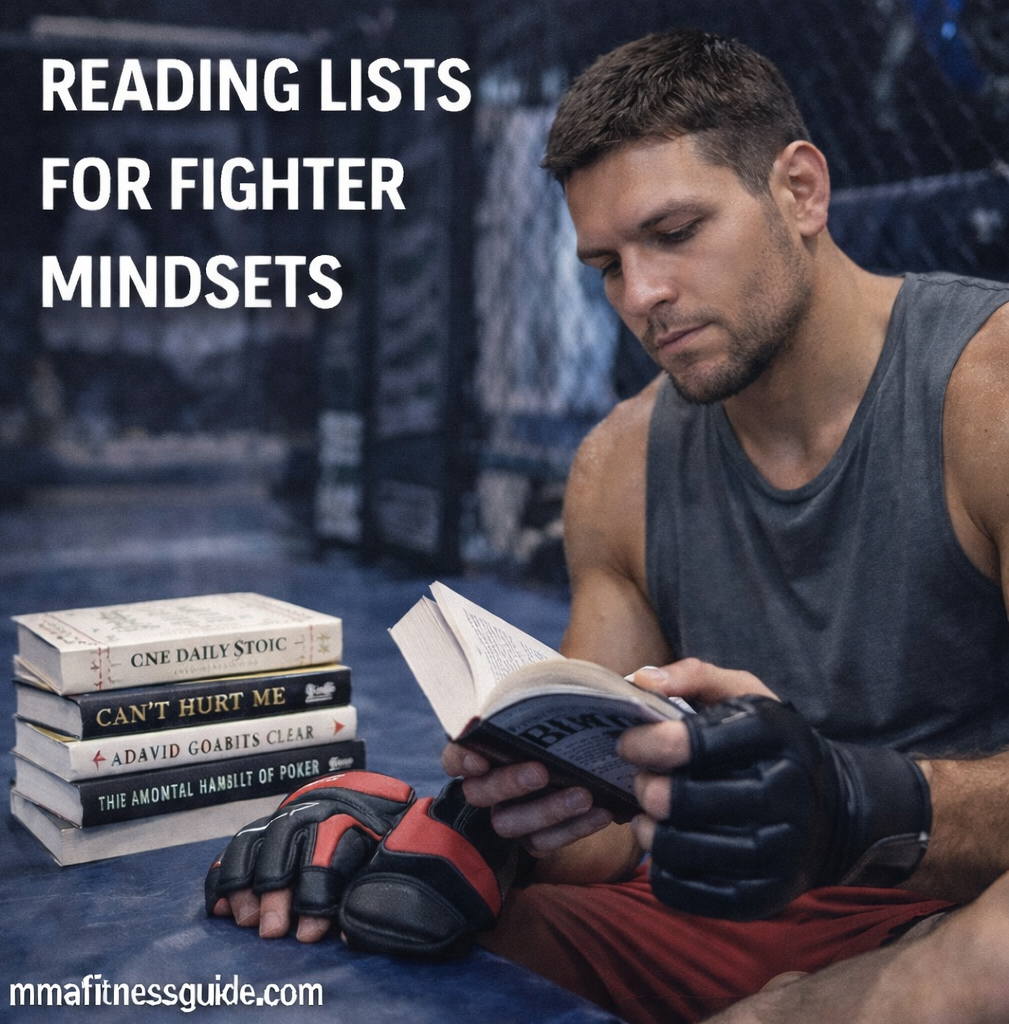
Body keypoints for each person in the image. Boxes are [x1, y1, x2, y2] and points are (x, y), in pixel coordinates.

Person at [210, 28, 1009, 1024]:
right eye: (606, 265)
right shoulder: (621, 463)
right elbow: (599, 833)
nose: (641, 296)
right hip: (730, 908)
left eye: (674, 233)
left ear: (799, 190)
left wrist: (858, 804)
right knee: (402, 941)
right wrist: (477, 812)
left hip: (951, 902)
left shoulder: (987, 395)